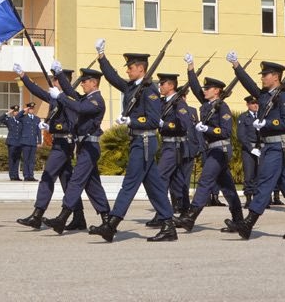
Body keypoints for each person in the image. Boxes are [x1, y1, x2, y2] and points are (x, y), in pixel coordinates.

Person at [90, 39, 177, 243]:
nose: (128, 71)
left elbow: (154, 120)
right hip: (137, 141)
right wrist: (102, 56)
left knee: (129, 184)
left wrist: (132, 120)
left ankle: (111, 225)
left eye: (130, 67)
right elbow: (113, 78)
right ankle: (168, 226)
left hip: (145, 141)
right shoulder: (132, 88)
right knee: (154, 187)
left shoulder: (150, 90)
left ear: (140, 68)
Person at [224, 53, 285, 240]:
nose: (262, 78)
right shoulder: (265, 96)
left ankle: (248, 223)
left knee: (264, 182)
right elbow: (248, 84)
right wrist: (236, 65)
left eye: (266, 75)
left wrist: (267, 124)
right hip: (271, 146)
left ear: (276, 77)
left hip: (279, 146)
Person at [173, 53, 243, 233]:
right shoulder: (206, 105)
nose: (204, 90)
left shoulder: (223, 107)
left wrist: (209, 130)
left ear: (217, 91)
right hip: (212, 150)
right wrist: (190, 68)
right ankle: (238, 219)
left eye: (208, 88)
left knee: (205, 181)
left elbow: (226, 131)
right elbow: (195, 86)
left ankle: (190, 217)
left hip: (221, 149)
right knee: (227, 187)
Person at [14, 61, 87, 231]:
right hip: (59, 142)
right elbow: (37, 91)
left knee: (47, 177)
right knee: (67, 181)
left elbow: (71, 123)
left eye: (56, 79)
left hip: (65, 142)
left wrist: (51, 127)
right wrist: (23, 76)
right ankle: (78, 217)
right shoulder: (55, 97)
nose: (53, 82)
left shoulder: (71, 98)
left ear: (63, 81)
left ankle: (37, 215)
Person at [42, 66, 111, 234]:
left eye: (85, 81)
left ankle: (63, 217)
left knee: (76, 180)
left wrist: (60, 96)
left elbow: (79, 108)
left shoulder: (96, 100)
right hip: (84, 146)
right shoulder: (87, 98)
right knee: (92, 185)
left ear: (94, 83)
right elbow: (71, 93)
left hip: (90, 146)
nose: (82, 85)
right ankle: (107, 219)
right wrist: (58, 74)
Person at [145, 71, 192, 229]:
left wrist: (164, 125)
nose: (160, 86)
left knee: (160, 178)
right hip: (167, 145)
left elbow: (184, 124)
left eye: (163, 83)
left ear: (171, 86)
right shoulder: (165, 103)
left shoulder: (179, 103)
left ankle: (162, 214)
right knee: (178, 181)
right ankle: (185, 213)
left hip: (175, 146)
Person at [237, 95, 261, 209]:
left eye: (256, 103)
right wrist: (251, 149)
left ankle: (257, 199)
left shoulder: (261, 117)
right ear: (248, 105)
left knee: (259, 174)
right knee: (249, 174)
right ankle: (248, 199)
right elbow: (241, 135)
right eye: (252, 103)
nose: (255, 105)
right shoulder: (243, 117)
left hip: (261, 148)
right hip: (249, 149)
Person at [18, 102, 41, 181]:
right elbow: (17, 117)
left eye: (32, 109)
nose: (31, 110)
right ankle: (26, 175)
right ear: (28, 109)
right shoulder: (23, 117)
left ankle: (31, 175)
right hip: (25, 141)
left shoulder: (37, 119)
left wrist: (39, 141)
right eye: (30, 109)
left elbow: (38, 131)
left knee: (32, 160)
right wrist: (23, 111)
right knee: (26, 159)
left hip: (33, 141)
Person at [0, 104, 23, 180]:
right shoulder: (9, 120)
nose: (16, 113)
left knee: (17, 159)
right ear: (13, 112)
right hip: (11, 142)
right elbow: (0, 119)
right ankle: (12, 175)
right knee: (12, 159)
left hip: (19, 142)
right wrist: (8, 112)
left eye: (17, 111)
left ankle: (16, 176)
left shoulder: (21, 120)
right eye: (14, 111)